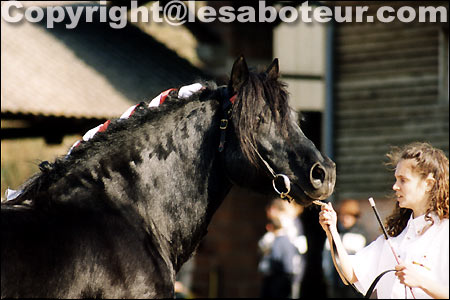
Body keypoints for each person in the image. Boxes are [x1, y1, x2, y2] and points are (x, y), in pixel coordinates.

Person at [319, 142, 449, 299]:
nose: (395, 186)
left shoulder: (445, 232)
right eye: (395, 179)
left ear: (428, 184)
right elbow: (350, 274)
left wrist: (422, 282)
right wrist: (332, 231)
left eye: (403, 180)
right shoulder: (397, 234)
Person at [258, 198, 307, 298]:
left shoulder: (293, 225)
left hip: (288, 273)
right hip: (274, 271)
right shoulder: (277, 225)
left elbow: (300, 249)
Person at [322, 199, 367, 298]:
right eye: (343, 215)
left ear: (355, 217)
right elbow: (326, 257)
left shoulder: (360, 235)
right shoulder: (334, 232)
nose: (345, 219)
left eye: (349, 216)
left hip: (353, 282)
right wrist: (328, 276)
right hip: (335, 279)